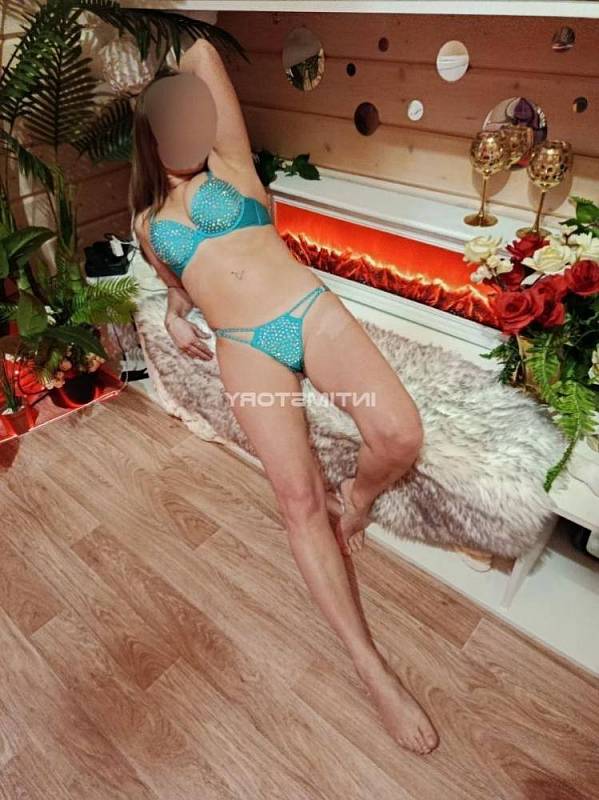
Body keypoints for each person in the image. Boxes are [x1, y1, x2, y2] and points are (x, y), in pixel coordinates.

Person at [129, 36, 438, 755]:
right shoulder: (147, 225)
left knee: (399, 435)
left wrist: (158, 80)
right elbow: (180, 287)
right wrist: (175, 315)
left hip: (307, 311)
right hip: (243, 347)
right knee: (296, 503)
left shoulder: (230, 163)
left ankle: (356, 498)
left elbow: (202, 52)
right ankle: (372, 671)